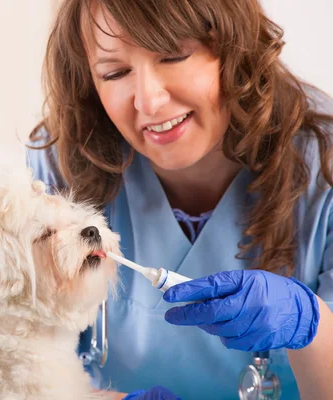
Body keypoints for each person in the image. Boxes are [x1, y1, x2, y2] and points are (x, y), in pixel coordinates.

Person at [25, 1, 333, 399]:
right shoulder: (60, 164)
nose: (148, 102)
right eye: (115, 73)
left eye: (172, 55)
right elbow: (22, 369)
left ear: (233, 47)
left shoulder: (322, 158)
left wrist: (312, 326)